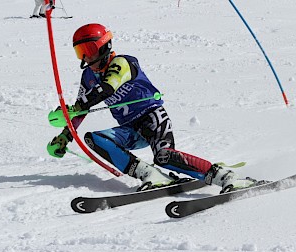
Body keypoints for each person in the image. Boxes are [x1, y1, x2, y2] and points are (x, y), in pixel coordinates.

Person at [47, 23, 254, 192]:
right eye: (80, 52)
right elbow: (79, 110)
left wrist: (80, 106)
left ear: (104, 46)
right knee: (95, 139)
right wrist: (65, 135)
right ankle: (150, 175)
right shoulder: (89, 76)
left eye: (89, 51)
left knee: (164, 156)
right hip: (130, 129)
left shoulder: (123, 63)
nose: (86, 59)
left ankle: (226, 177)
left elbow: (107, 88)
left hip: (152, 118)